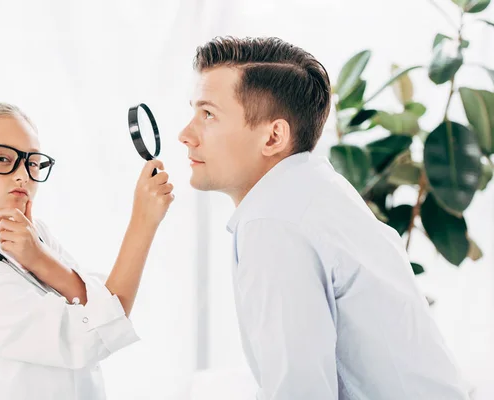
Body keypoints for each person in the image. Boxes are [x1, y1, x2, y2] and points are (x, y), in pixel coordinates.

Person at [178, 36, 470, 399]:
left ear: (273, 137)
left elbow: (300, 392)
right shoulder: (316, 188)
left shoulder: (274, 223)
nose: (185, 135)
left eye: (208, 114)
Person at [0, 102, 174, 400]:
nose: (22, 175)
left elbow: (99, 301)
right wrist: (143, 221)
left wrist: (40, 259)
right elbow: (94, 334)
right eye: (1, 158)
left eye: (32, 163)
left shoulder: (33, 236)